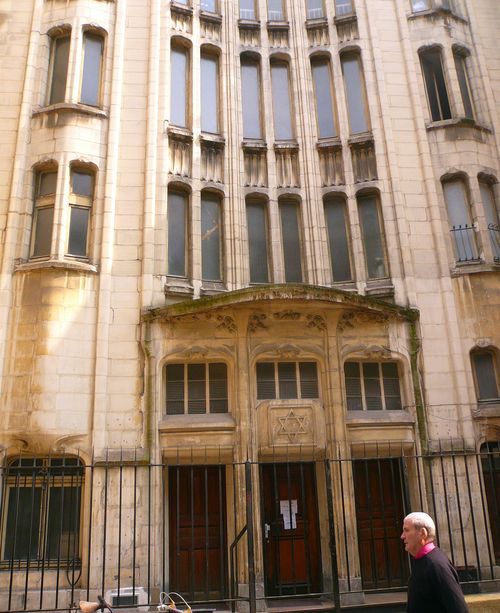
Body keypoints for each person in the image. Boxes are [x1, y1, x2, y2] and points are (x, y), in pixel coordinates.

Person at [401, 512, 469, 613]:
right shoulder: (423, 560)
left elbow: (458, 608)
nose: (402, 536)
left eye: (406, 530)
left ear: (422, 533)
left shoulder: (436, 565)